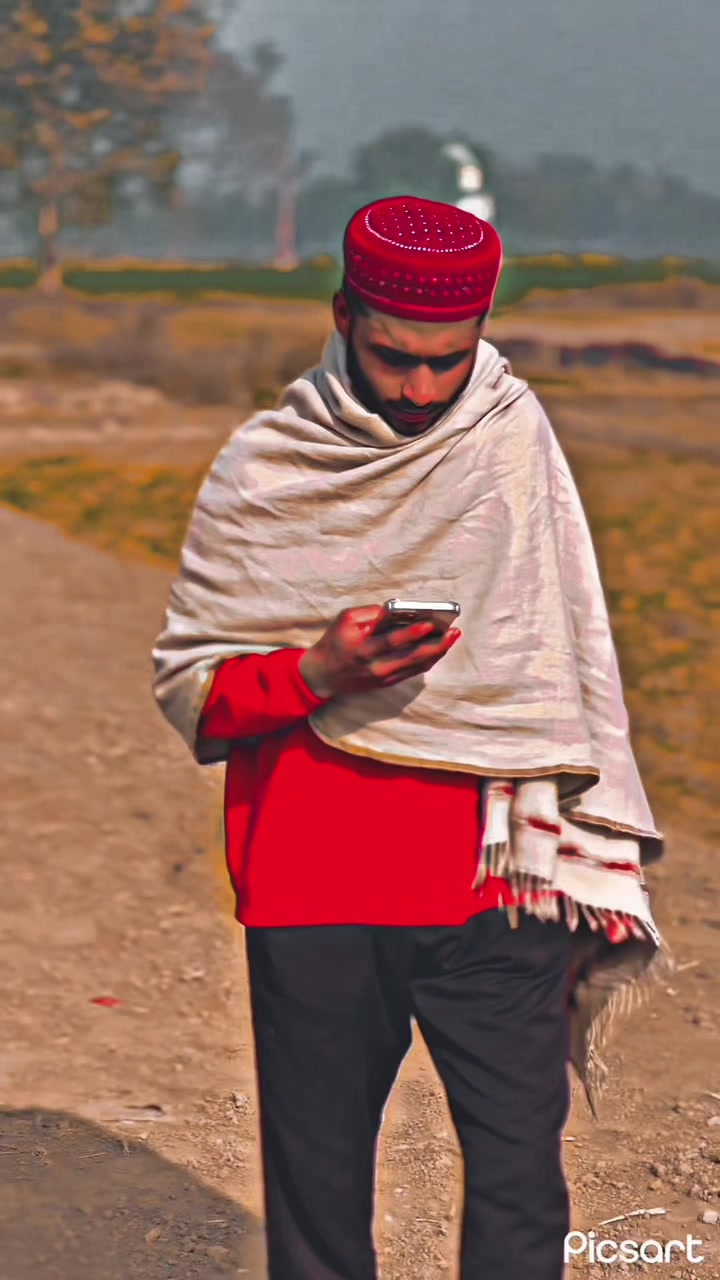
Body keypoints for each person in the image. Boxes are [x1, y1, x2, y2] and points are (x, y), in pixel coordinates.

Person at [152, 196, 665, 1280]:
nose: (423, 390)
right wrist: (314, 674)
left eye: (450, 359)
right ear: (343, 315)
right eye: (394, 357)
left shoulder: (509, 438)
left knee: (522, 1188)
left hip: (502, 883)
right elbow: (198, 692)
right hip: (315, 884)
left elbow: (563, 654)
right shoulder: (267, 468)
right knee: (318, 1207)